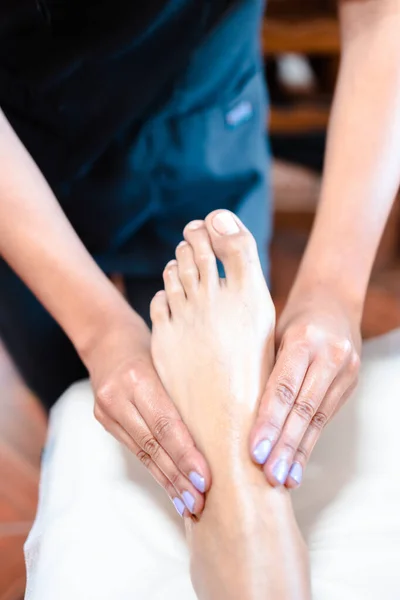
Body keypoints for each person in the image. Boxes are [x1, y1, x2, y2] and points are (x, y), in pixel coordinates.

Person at [1, 0, 400, 513]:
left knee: (224, 393)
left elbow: (382, 14)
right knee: (67, 382)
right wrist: (100, 331)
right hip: (21, 143)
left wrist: (334, 287)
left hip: (202, 103)